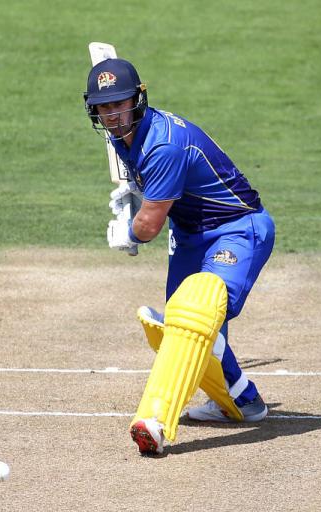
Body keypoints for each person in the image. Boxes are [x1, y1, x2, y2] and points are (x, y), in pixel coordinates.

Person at [84, 57, 275, 455]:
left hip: (237, 228)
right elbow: (155, 190)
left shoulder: (164, 144)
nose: (113, 115)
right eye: (104, 107)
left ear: (138, 99)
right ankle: (242, 400)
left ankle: (155, 420)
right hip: (189, 234)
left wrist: (128, 228)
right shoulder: (124, 135)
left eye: (119, 104)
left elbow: (149, 227)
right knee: (183, 327)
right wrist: (134, 195)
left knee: (197, 309)